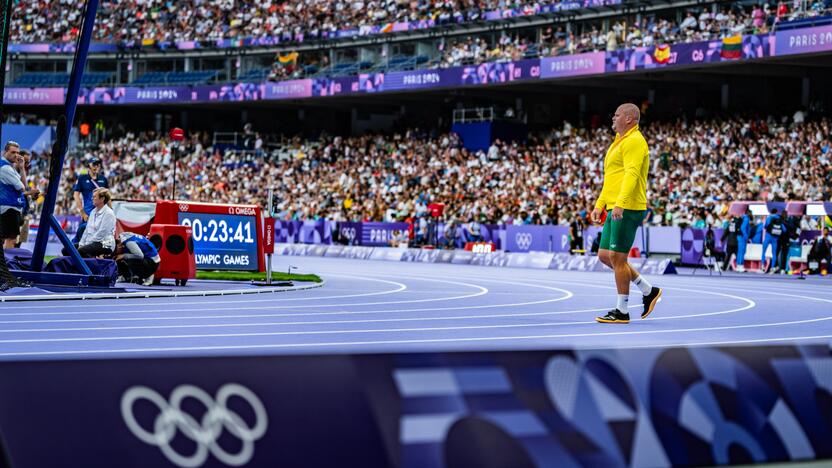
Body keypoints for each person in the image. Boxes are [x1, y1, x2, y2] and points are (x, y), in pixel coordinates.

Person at [592, 103, 662, 324]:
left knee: (617, 258)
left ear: (630, 119)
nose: (613, 117)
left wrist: (620, 203)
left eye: (617, 114)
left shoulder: (634, 141)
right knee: (605, 255)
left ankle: (621, 311)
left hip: (628, 206)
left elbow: (631, 175)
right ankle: (648, 290)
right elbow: (611, 178)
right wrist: (599, 204)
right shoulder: (618, 143)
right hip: (614, 205)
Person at [0, 141, 37, 289]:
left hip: (12, 208)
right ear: (5, 152)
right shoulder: (5, 168)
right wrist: (32, 192)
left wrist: (22, 168)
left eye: (17, 153)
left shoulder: (11, 168)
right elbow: (22, 188)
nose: (16, 155)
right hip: (7, 209)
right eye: (13, 152)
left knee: (11, 240)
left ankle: (6, 272)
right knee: (9, 240)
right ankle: (6, 271)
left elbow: (23, 186)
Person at [72, 156, 108, 244]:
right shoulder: (82, 178)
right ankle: (71, 252)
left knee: (100, 238)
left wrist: (111, 211)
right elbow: (76, 195)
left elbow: (108, 197)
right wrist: (82, 212)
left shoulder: (104, 179)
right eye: (94, 164)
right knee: (81, 235)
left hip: (101, 214)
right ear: (89, 165)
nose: (96, 166)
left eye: (98, 164)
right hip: (88, 214)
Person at [77, 188, 116, 258]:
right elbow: (87, 230)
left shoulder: (109, 213)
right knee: (67, 249)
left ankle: (89, 267)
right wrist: (81, 244)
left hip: (105, 244)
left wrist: (87, 244)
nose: (92, 198)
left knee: (81, 251)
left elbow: (102, 233)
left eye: (94, 197)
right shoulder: (93, 212)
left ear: (102, 199)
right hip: (92, 242)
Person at [762, 208, 783, 273]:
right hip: (775, 238)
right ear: (776, 212)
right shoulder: (779, 218)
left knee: (763, 251)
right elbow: (784, 229)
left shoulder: (769, 217)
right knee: (774, 253)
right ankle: (772, 267)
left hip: (768, 237)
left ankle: (762, 266)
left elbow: (765, 226)